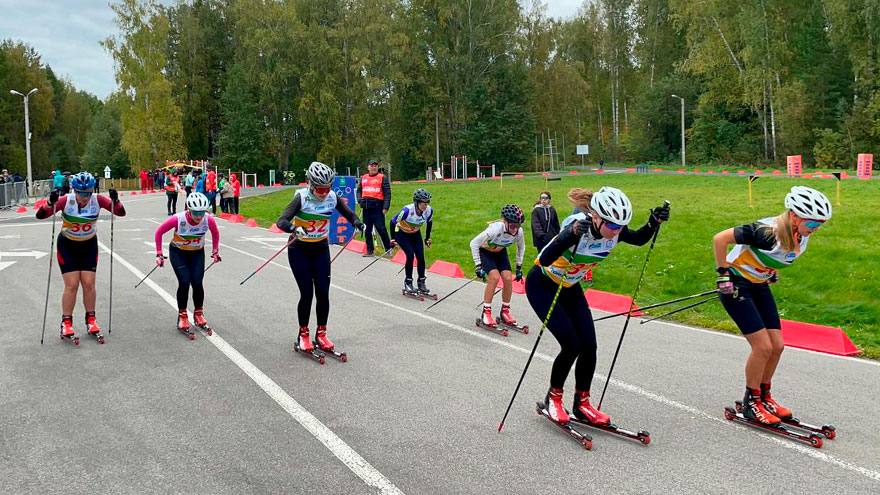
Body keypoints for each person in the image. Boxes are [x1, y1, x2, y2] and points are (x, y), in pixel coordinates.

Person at [528, 187, 669, 424]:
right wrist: (570, 235)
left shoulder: (615, 230)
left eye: (620, 226)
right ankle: (554, 399)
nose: (616, 232)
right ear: (596, 217)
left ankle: (582, 404)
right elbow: (544, 258)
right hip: (543, 285)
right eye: (612, 225)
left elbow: (638, 239)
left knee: (590, 346)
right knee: (571, 345)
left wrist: (653, 222)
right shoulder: (576, 226)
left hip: (570, 286)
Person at [713, 186, 831, 426]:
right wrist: (723, 273)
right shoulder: (766, 232)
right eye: (812, 223)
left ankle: (765, 396)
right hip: (736, 285)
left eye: (820, 223)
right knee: (763, 347)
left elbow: (774, 256)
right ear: (794, 216)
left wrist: (770, 270)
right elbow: (720, 238)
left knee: (777, 345)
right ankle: (751, 402)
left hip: (758, 284)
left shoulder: (800, 235)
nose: (816, 229)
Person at [275, 162, 364, 354]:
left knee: (323, 292)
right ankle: (303, 334)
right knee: (307, 293)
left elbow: (348, 214)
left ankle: (321, 333)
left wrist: (357, 223)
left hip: (320, 249)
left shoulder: (332, 196)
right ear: (311, 185)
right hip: (299, 250)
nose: (324, 193)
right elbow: (281, 221)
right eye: (320, 189)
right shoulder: (301, 197)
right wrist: (293, 228)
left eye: (327, 188)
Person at [34, 172, 126, 341]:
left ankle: (91, 319)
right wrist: (49, 202)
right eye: (81, 193)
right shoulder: (66, 200)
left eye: (88, 193)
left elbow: (120, 213)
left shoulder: (97, 200)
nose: (84, 197)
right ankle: (66, 323)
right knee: (72, 285)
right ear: (74, 190)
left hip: (89, 245)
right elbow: (40, 215)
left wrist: (116, 200)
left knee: (89, 284)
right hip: (67, 246)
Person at [153, 192, 221, 335]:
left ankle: (198, 314)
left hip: (197, 253)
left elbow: (215, 233)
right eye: (196, 212)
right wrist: (159, 253)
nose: (198, 216)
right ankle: (182, 315)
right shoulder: (178, 219)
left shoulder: (208, 220)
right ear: (189, 210)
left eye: (201, 212)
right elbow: (159, 232)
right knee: (184, 282)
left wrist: (215, 251)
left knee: (197, 282)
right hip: (179, 253)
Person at [470, 204, 526, 329]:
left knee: (507, 278)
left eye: (518, 225)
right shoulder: (494, 229)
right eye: (512, 225)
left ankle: (505, 312)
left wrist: (519, 267)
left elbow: (521, 248)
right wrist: (478, 265)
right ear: (504, 221)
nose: (515, 229)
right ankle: (486, 312)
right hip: (485, 252)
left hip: (500, 252)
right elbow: (473, 243)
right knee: (494, 277)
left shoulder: (519, 232)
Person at [390, 188, 434, 296]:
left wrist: (427, 238)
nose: (425, 205)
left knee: (421, 257)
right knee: (410, 255)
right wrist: (393, 239)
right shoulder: (407, 211)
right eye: (423, 203)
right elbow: (392, 222)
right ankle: (408, 282)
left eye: (427, 202)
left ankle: (421, 282)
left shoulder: (429, 210)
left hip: (415, 234)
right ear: (417, 202)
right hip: (402, 234)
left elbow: (429, 223)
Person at [357, 159, 392, 256]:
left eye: (375, 165)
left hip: (377, 207)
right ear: (368, 167)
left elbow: (387, 194)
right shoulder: (363, 177)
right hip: (366, 207)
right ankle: (370, 250)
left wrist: (386, 207)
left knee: (381, 229)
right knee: (367, 230)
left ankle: (388, 249)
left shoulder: (382, 177)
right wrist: (359, 200)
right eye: (371, 165)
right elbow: (359, 190)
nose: (373, 167)